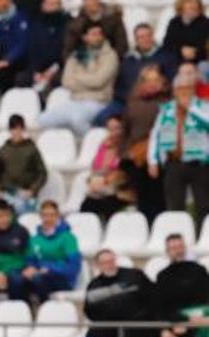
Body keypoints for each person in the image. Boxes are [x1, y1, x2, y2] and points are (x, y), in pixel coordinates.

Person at [147, 72, 209, 227]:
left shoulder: (203, 107)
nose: (183, 93)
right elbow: (156, 134)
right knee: (175, 205)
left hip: (199, 163)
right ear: (174, 91)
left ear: (193, 90)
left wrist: (191, 109)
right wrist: (152, 160)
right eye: (180, 90)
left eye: (187, 89)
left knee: (203, 204)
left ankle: (202, 237)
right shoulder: (166, 109)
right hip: (174, 161)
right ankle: (178, 235)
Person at [38, 21, 119, 136]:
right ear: (85, 37)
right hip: (75, 100)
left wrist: (77, 77)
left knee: (77, 119)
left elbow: (98, 81)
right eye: (93, 34)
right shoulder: (76, 56)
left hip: (98, 102)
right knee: (43, 119)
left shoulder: (110, 56)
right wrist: (88, 79)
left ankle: (92, 145)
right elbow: (66, 81)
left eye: (99, 33)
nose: (97, 37)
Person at [83, 248, 158, 337]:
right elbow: (90, 312)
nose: (109, 265)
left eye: (111, 261)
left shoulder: (135, 275)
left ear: (115, 260)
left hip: (137, 323)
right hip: (110, 325)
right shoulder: (94, 285)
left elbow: (153, 296)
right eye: (104, 262)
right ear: (98, 265)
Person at [122, 65, 170, 221]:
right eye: (148, 80)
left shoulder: (169, 102)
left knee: (159, 198)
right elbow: (125, 131)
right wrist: (125, 153)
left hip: (161, 156)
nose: (152, 83)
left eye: (156, 79)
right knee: (143, 199)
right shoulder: (132, 102)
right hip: (137, 157)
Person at [11, 199, 82, 301]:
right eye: (45, 215)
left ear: (58, 216)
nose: (48, 219)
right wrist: (30, 268)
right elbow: (30, 261)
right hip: (39, 276)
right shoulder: (35, 239)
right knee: (16, 280)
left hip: (62, 279)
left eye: (52, 215)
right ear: (40, 216)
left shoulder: (68, 238)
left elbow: (73, 267)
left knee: (40, 280)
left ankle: (45, 311)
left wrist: (49, 268)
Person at [0, 114, 47, 214]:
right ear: (10, 130)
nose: (16, 132)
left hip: (25, 192)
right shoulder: (3, 150)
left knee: (20, 207)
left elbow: (42, 173)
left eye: (19, 129)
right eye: (14, 129)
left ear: (23, 130)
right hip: (7, 192)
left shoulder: (32, 149)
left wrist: (32, 190)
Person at [63, 0, 128, 63]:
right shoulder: (76, 25)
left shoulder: (114, 20)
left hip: (110, 63)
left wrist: (108, 60)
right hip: (83, 66)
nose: (94, 1)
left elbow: (122, 46)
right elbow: (68, 52)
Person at [28, 0, 70, 93]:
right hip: (37, 68)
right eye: (47, 4)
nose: (49, 7)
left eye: (53, 4)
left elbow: (65, 50)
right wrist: (35, 71)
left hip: (58, 67)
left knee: (57, 80)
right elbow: (31, 49)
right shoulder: (36, 23)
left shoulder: (67, 24)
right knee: (22, 78)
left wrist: (52, 70)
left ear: (60, 5)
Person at [162, 0, 209, 65]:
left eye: (195, 2)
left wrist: (195, 52)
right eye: (189, 2)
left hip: (199, 61)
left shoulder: (206, 23)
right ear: (181, 5)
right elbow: (167, 44)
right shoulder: (174, 22)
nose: (193, 5)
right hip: (177, 60)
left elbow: (205, 46)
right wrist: (181, 50)